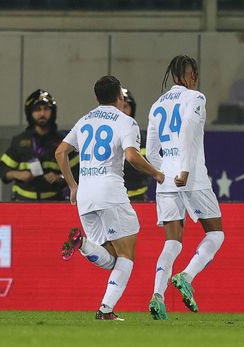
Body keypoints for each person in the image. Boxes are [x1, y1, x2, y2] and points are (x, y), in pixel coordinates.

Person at [55, 75, 165, 321]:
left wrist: (73, 186)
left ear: (96, 98)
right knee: (126, 255)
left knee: (109, 258)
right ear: (120, 96)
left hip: (85, 195)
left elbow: (60, 152)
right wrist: (157, 173)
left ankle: (82, 244)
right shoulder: (126, 122)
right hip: (110, 192)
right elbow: (132, 157)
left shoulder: (84, 121)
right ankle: (105, 310)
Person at [146, 55, 225, 320]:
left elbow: (152, 149)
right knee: (216, 234)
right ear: (192, 76)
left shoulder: (156, 105)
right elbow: (190, 131)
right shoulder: (196, 97)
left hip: (165, 177)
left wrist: (160, 175)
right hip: (191, 176)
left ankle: (157, 295)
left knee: (172, 241)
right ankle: (187, 276)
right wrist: (186, 169)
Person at [0, 89, 79, 201]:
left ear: (52, 112)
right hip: (22, 203)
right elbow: (2, 169)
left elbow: (79, 173)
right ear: (30, 113)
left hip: (53, 203)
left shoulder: (63, 142)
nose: (42, 113)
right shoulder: (19, 141)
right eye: (37, 109)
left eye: (46, 109)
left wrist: (61, 178)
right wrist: (18, 174)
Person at [121, 88, 150, 201]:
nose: (122, 110)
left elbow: (145, 169)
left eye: (126, 106)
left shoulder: (142, 138)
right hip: (111, 199)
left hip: (137, 198)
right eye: (119, 106)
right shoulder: (103, 136)